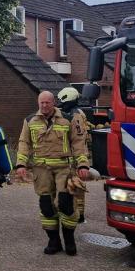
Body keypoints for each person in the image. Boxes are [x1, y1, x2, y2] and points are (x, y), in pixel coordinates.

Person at [15, 91, 89, 255]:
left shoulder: (68, 118)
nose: (44, 106)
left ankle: (69, 240)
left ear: (53, 102)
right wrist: (20, 164)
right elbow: (24, 143)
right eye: (41, 103)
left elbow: (78, 143)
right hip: (41, 171)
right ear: (38, 103)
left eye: (47, 102)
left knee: (66, 204)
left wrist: (83, 165)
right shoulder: (29, 121)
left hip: (65, 169)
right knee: (46, 206)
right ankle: (54, 241)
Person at [57, 87, 89, 223]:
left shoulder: (75, 115)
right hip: (76, 153)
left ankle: (79, 215)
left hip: (77, 155)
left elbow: (78, 138)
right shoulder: (76, 112)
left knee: (77, 184)